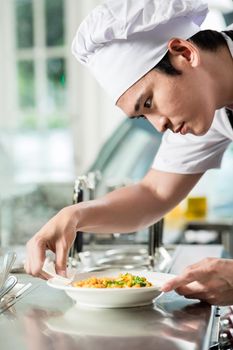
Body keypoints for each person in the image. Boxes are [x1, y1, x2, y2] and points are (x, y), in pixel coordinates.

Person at [25, 0, 233, 305]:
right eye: (143, 116)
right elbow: (154, 193)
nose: (159, 125)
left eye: (148, 103)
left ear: (185, 53)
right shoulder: (208, 105)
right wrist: (74, 215)